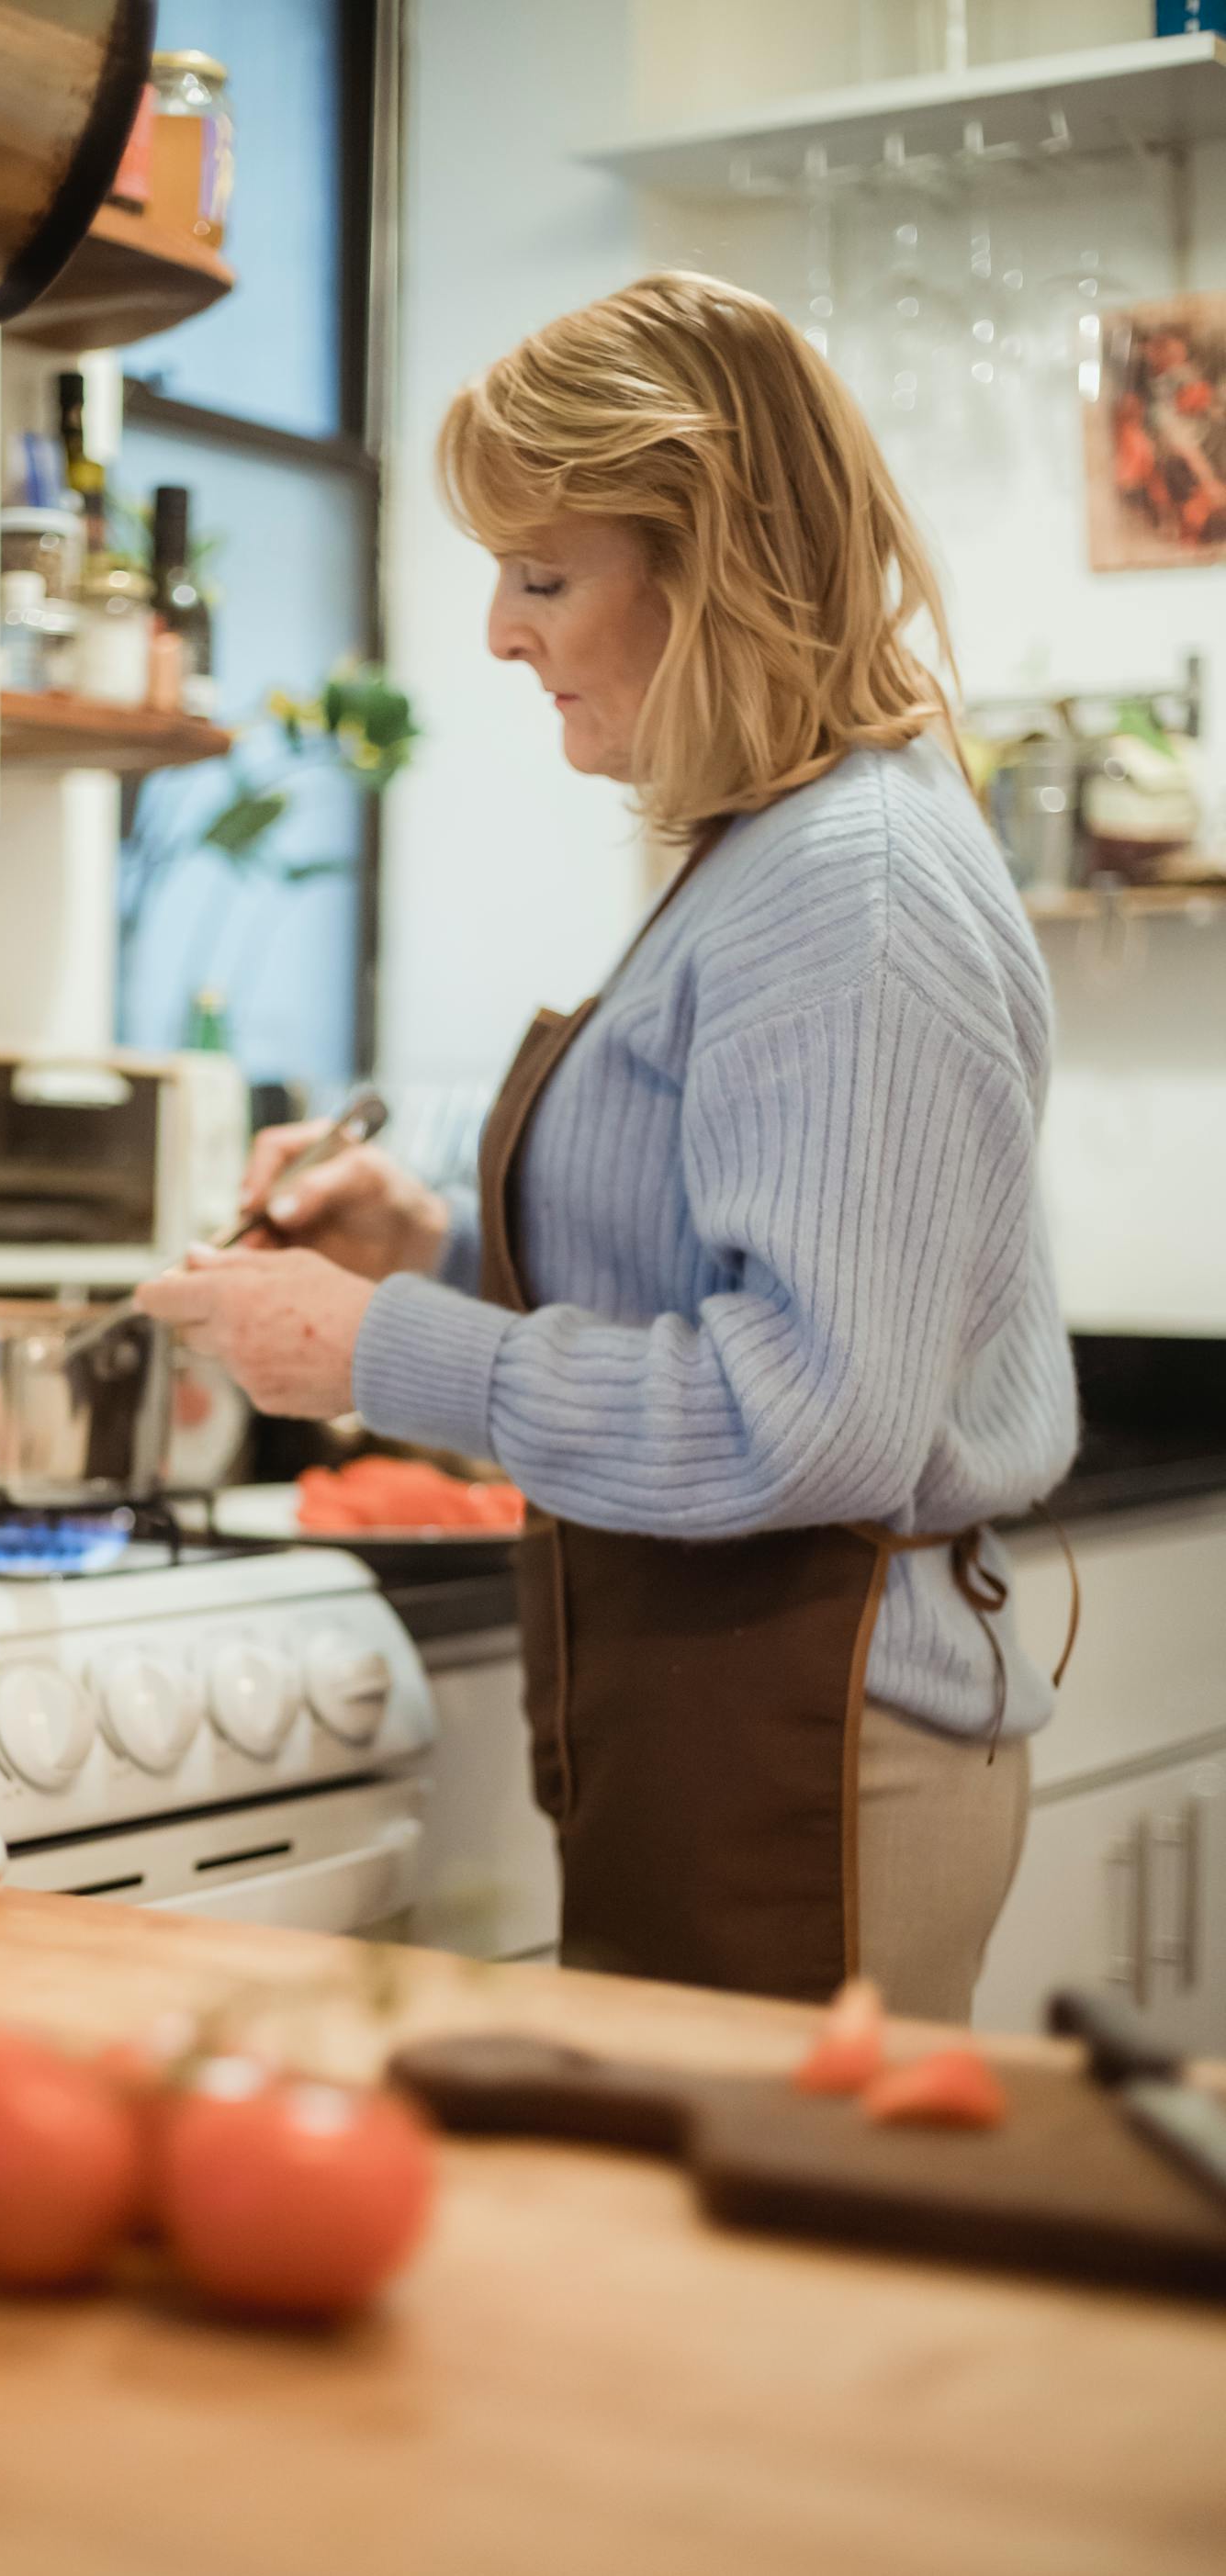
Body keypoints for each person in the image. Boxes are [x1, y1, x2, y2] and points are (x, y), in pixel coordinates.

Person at [139, 272, 1080, 2022]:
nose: (502, 633)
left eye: (544, 576)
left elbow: (808, 1411)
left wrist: (382, 1351)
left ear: (709, 567)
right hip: (737, 1716)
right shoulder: (773, 853)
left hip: (822, 1744)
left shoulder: (845, 886)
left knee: (750, 2292)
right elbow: (712, 1270)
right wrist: (421, 1249)